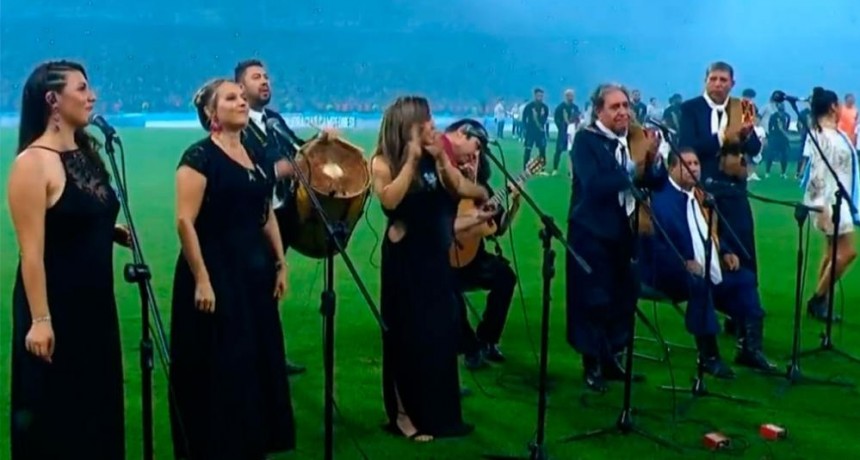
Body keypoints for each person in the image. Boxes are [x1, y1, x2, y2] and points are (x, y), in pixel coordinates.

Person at [169, 78, 295, 459]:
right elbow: (185, 222)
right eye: (231, 98)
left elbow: (265, 214)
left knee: (255, 359)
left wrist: (280, 262)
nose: (241, 101)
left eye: (242, 97)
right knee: (221, 361)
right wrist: (202, 279)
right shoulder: (199, 157)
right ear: (212, 113)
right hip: (216, 272)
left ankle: (252, 440)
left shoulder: (254, 156)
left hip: (253, 275)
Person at [8, 60, 127, 460]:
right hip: (56, 309)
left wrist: (107, 229)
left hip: (96, 307)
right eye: (82, 88)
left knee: (95, 412)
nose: (92, 96)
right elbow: (31, 251)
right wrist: (41, 320)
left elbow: (75, 211)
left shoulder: (84, 154)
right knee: (59, 418)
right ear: (53, 100)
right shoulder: (32, 163)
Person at [370, 96, 488, 442]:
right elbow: (389, 199)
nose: (433, 125)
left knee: (439, 334)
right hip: (406, 262)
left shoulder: (434, 158)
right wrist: (410, 160)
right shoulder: (384, 161)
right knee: (406, 336)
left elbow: (460, 188)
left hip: (435, 258)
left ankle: (440, 415)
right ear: (408, 126)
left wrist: (444, 162)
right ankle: (403, 416)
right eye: (426, 121)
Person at [642, 149, 776, 377]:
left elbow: (710, 231)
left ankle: (750, 348)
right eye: (687, 164)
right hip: (669, 273)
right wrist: (682, 263)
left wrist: (725, 252)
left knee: (745, 279)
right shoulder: (662, 201)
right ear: (672, 168)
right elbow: (656, 246)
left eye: (696, 163)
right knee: (700, 285)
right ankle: (709, 356)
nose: (693, 168)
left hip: (706, 265)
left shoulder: (702, 196)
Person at [566, 83, 665, 392]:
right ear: (599, 111)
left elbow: (654, 182)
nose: (623, 112)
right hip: (591, 233)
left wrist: (653, 160)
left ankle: (613, 358)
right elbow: (596, 184)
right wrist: (635, 166)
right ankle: (592, 363)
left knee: (624, 296)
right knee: (593, 298)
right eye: (615, 107)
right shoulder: (586, 141)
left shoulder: (632, 140)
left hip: (625, 232)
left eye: (625, 105)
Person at [235, 58, 306, 375]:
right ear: (240, 87)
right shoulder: (237, 124)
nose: (265, 81)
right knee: (251, 289)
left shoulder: (274, 120)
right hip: (251, 222)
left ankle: (271, 353)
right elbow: (240, 170)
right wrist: (278, 170)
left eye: (266, 76)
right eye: (256, 77)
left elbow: (297, 151)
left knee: (272, 288)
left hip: (280, 215)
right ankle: (254, 356)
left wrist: (318, 144)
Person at [447, 119, 521, 369]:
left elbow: (497, 229)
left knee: (505, 277)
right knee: (449, 291)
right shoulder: (443, 182)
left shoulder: (483, 189)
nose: (474, 157)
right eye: (472, 149)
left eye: (479, 152)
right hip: (443, 258)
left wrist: (514, 204)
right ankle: (470, 348)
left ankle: (488, 339)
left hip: (473, 258)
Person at [678, 61, 762, 278]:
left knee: (742, 242)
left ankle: (746, 290)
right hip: (703, 189)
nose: (718, 84)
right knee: (709, 244)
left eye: (723, 80)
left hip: (734, 189)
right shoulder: (690, 109)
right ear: (705, 81)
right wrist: (722, 138)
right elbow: (687, 147)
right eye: (713, 79)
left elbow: (754, 148)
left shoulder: (742, 108)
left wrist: (747, 136)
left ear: (732, 83)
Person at [800, 87, 859, 321]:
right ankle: (818, 297)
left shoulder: (831, 133)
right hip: (831, 202)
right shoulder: (823, 135)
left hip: (838, 198)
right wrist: (820, 205)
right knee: (848, 252)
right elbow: (818, 173)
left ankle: (821, 298)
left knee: (831, 252)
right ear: (834, 106)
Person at [552, 89, 581, 176]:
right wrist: (561, 127)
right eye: (569, 95)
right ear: (565, 96)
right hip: (563, 132)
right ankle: (555, 169)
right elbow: (556, 119)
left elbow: (577, 119)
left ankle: (571, 170)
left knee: (572, 152)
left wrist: (575, 126)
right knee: (559, 150)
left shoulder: (575, 107)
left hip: (572, 132)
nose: (570, 97)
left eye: (572, 95)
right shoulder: (560, 107)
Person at [522, 88, 550, 171]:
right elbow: (524, 119)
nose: (540, 98)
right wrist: (525, 128)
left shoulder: (545, 107)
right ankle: (525, 167)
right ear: (535, 96)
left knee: (542, 149)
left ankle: (542, 168)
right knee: (528, 149)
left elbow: (545, 119)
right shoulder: (529, 106)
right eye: (538, 96)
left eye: (541, 96)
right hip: (530, 132)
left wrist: (541, 119)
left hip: (540, 132)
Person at [765, 102, 791, 178]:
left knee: (784, 155)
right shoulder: (773, 116)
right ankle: (767, 172)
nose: (782, 106)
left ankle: (783, 173)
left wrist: (784, 133)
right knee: (770, 154)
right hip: (774, 137)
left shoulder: (787, 116)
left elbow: (787, 128)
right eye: (780, 105)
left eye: (782, 105)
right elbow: (770, 127)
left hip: (783, 138)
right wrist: (771, 136)